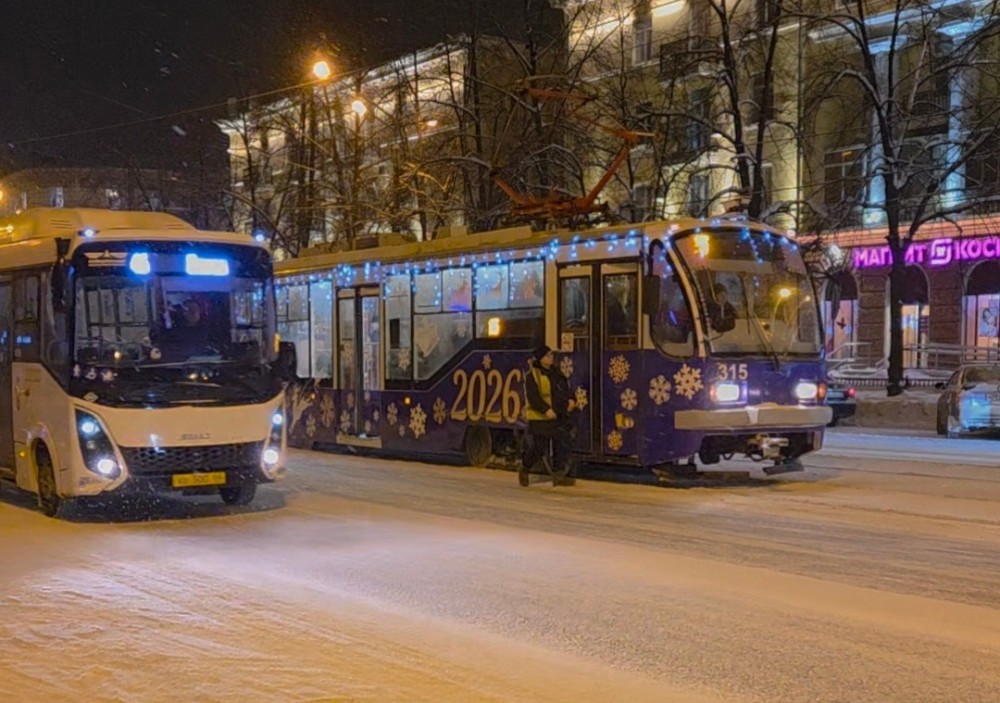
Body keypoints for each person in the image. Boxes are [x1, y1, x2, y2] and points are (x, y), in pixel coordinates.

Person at [520, 344, 576, 487]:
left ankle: (558, 475)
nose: (551, 358)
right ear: (541, 359)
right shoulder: (532, 375)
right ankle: (525, 468)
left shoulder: (556, 373)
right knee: (539, 447)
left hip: (558, 414)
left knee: (561, 444)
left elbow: (565, 389)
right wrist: (546, 410)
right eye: (548, 356)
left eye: (551, 355)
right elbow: (533, 397)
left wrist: (571, 399)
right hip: (541, 418)